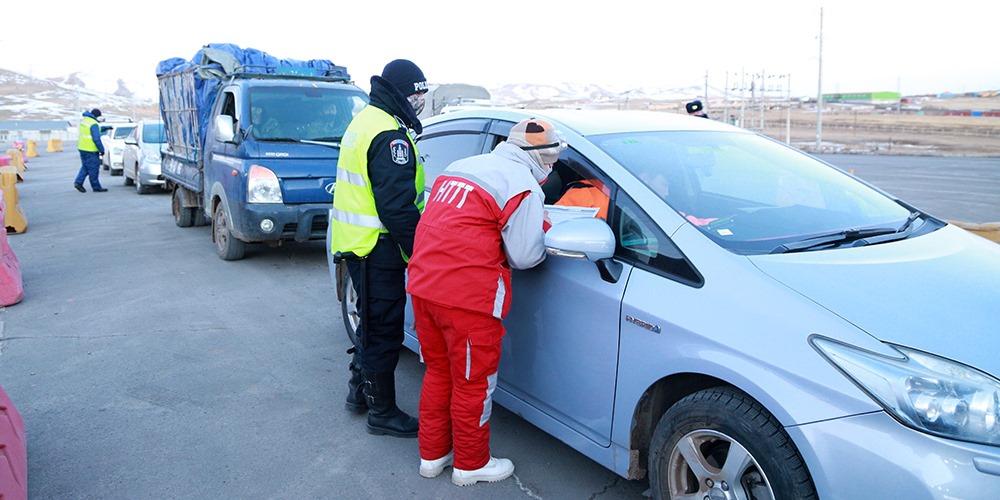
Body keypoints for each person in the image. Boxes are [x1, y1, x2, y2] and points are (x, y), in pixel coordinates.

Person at [406, 118, 563, 486]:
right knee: (473, 383)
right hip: (468, 299)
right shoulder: (522, 184)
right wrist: (542, 227)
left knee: (439, 373)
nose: (553, 164)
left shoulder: (462, 166)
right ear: (539, 156)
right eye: (552, 156)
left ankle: (432, 455)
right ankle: (471, 464)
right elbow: (525, 257)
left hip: (424, 287)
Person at [329, 59, 428, 438]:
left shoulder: (366, 120)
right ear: (404, 93)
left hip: (358, 244)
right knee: (384, 329)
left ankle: (358, 393)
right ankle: (382, 411)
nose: (421, 100)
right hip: (377, 247)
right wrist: (421, 251)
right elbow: (397, 207)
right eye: (418, 93)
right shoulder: (390, 136)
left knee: (371, 322)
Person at [74, 108, 107, 192]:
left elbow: (92, 131)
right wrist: (102, 150)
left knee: (85, 166)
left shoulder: (85, 121)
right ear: (97, 116)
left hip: (82, 148)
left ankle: (78, 182)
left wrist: (105, 128)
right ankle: (96, 187)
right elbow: (96, 138)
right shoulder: (94, 123)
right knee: (93, 168)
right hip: (91, 150)